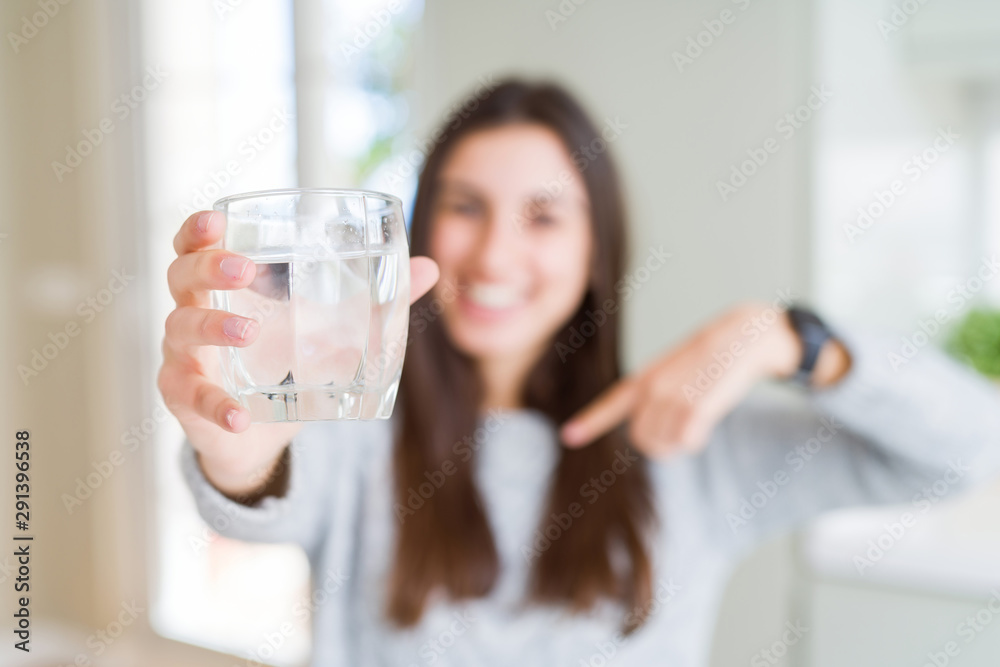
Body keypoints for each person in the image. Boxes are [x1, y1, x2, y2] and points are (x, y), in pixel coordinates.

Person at [159, 79, 1000, 666]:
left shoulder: (693, 451)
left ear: (598, 245)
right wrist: (239, 449)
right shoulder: (354, 426)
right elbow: (260, 488)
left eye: (543, 216)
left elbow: (969, 444)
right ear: (418, 230)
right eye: (465, 206)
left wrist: (792, 340)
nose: (495, 254)